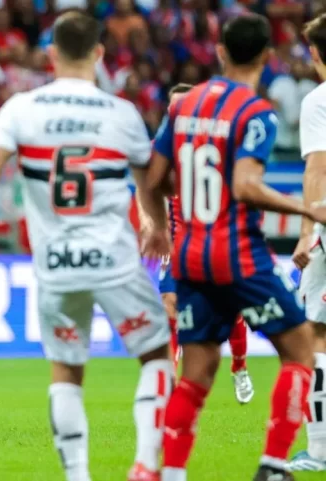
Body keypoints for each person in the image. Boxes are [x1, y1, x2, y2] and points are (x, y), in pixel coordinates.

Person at [0, 12, 172, 481]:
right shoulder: (121, 113)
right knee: (157, 357)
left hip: (56, 265)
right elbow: (150, 181)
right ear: (99, 53)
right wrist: (156, 225)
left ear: (51, 54)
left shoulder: (21, 109)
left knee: (67, 373)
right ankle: (146, 464)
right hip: (115, 261)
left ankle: (78, 476)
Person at [138, 14, 326, 481]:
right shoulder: (255, 112)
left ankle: (172, 473)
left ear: (220, 52)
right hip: (236, 252)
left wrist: (158, 225)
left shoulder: (183, 106)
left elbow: (151, 176)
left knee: (196, 371)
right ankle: (274, 464)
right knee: (301, 348)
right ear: (267, 57)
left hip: (189, 256)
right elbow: (245, 186)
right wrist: (306, 210)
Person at [151, 83, 254, 404]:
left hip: (215, 238)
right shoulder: (160, 148)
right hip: (178, 243)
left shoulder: (216, 140)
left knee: (231, 309)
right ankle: (170, 383)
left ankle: (239, 367)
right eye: (173, 106)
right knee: (170, 303)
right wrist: (149, 222)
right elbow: (146, 188)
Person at [289, 13, 326, 473]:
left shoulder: (319, 101)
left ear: (314, 52)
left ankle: (319, 450)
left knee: (317, 333)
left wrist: (307, 231)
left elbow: (318, 168)